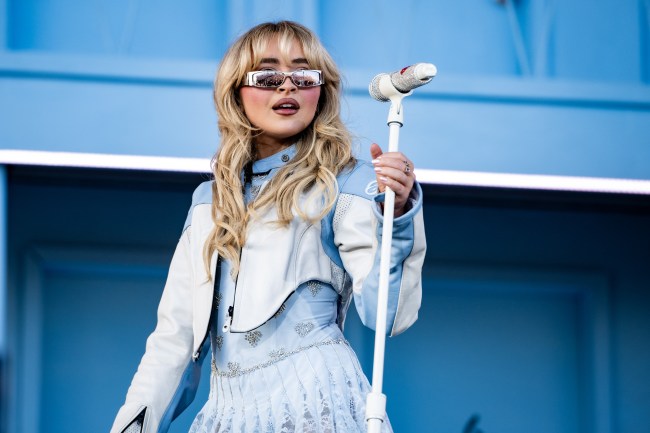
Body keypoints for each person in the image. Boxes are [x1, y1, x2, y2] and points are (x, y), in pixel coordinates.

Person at [110, 20, 426, 433]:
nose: (287, 86)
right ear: (236, 92)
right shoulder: (208, 202)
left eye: (303, 74)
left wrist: (397, 213)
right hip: (227, 415)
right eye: (268, 75)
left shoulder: (349, 182)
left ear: (321, 91)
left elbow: (389, 316)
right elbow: (173, 341)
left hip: (317, 404)